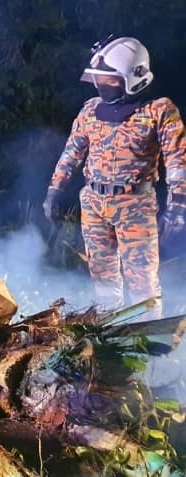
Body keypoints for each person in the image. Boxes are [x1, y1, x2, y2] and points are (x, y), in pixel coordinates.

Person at [43, 36, 185, 319]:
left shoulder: (159, 111)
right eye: (99, 80)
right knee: (103, 276)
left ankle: (149, 340)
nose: (101, 85)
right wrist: (54, 191)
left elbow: (178, 160)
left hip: (135, 205)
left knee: (142, 279)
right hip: (94, 203)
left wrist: (178, 207)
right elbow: (71, 153)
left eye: (109, 80)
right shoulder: (90, 109)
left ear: (134, 78)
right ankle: (110, 334)